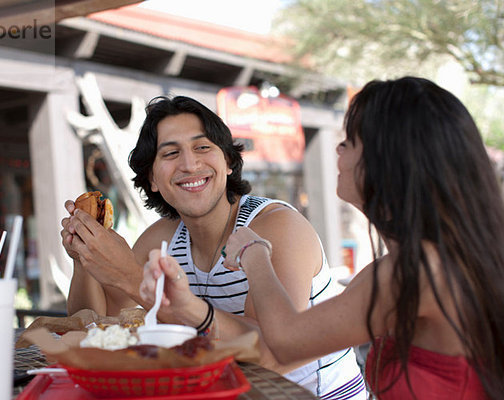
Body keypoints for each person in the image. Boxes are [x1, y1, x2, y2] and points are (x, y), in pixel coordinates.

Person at [212, 77, 504, 399]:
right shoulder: (421, 263)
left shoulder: (414, 271)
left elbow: (285, 342)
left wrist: (253, 254)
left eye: (350, 140)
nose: (338, 148)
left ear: (390, 161)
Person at [62, 95, 367, 399]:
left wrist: (130, 276)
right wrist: (85, 257)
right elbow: (97, 325)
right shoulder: (162, 240)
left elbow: (272, 356)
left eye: (203, 147)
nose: (190, 164)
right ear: (152, 179)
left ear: (229, 162)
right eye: (170, 153)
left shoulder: (276, 228)